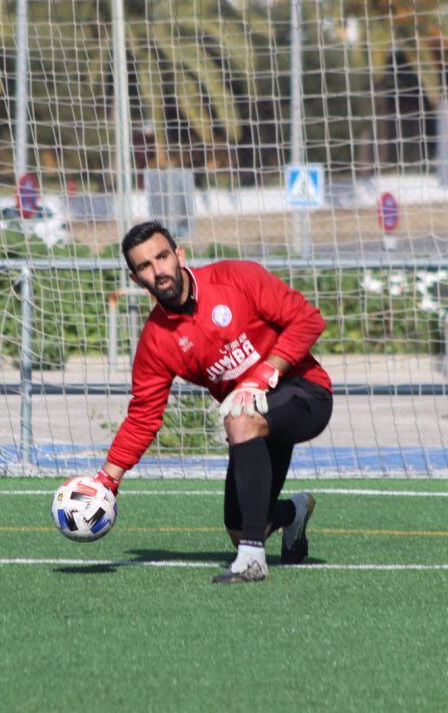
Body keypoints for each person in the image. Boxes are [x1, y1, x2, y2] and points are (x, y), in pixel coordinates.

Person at [93, 220, 334, 583]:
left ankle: (252, 562)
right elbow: (143, 416)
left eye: (162, 257)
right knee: (241, 528)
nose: (158, 270)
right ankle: (292, 514)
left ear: (179, 255)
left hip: (304, 392)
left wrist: (265, 373)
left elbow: (308, 320)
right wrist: (107, 480)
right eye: (145, 266)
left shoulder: (236, 277)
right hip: (253, 423)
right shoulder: (156, 342)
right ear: (135, 278)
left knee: (239, 417)